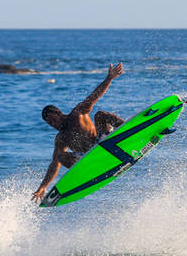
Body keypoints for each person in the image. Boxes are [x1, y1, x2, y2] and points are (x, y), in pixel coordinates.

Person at [31, 63, 126, 202]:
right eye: (50, 124)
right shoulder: (61, 138)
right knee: (59, 157)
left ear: (59, 113)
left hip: (103, 142)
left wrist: (109, 78)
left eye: (53, 120)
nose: (53, 125)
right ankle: (88, 173)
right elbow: (54, 165)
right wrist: (43, 186)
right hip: (88, 159)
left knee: (99, 115)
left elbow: (95, 95)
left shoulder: (77, 113)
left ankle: (127, 132)